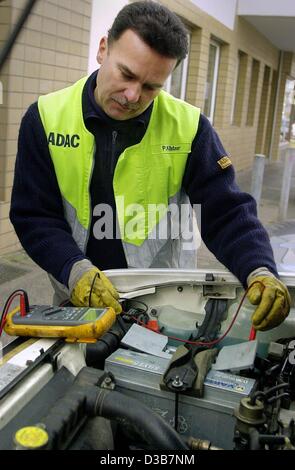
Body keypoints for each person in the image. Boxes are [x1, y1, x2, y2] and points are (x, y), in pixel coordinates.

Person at [10, 1, 290, 331]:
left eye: (150, 87)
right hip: (78, 302)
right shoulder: (44, 119)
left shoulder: (189, 128)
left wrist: (258, 268)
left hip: (166, 308)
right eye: (126, 74)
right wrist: (74, 269)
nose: (131, 95)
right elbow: (35, 215)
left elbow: (226, 212)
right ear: (103, 50)